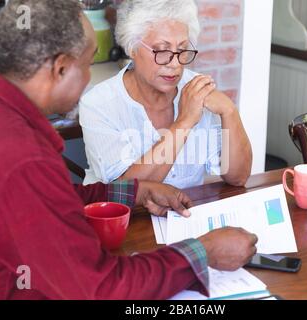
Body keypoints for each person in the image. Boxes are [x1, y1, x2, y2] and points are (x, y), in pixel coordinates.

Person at [0, 0, 258, 300]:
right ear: (60, 69)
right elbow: (99, 289)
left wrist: (133, 192)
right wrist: (204, 252)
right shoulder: (24, 159)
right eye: (86, 65)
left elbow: (53, 201)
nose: (87, 79)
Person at [79, 0, 252, 189]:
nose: (175, 64)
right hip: (128, 218)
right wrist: (184, 123)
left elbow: (238, 178)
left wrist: (229, 111)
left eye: (182, 49)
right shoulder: (98, 103)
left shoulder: (197, 91)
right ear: (132, 48)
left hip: (185, 214)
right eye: (162, 50)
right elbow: (123, 191)